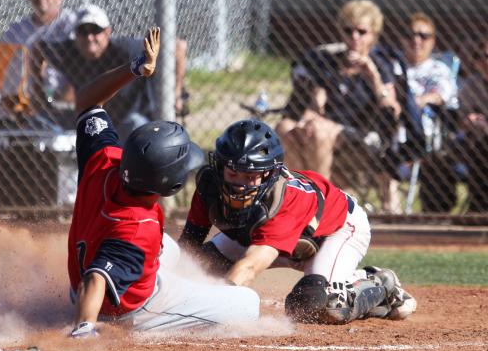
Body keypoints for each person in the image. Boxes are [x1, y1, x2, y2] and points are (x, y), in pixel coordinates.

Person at [67, 27, 259, 337]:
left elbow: (86, 102)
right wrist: (84, 328)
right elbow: (96, 277)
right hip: (122, 309)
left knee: (168, 250)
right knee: (248, 305)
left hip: (87, 283)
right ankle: (145, 318)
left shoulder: (104, 161)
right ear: (169, 185)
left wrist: (134, 69)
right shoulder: (136, 225)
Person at [178, 119, 417, 324]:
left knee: (316, 306)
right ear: (219, 167)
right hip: (276, 238)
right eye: (233, 173)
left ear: (269, 174)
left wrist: (218, 305)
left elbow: (251, 265)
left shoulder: (283, 200)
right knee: (203, 266)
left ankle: (380, 283)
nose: (240, 183)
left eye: (251, 176)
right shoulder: (210, 188)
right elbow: (189, 247)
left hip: (336, 230)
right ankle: (344, 282)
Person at [275, 0, 402, 212]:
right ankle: (299, 200)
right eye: (348, 30)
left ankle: (323, 205)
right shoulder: (328, 63)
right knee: (285, 128)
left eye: (362, 32)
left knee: (319, 131)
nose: (354, 37)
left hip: (363, 134)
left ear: (374, 35)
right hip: (324, 128)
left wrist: (372, 77)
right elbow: (317, 102)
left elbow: (392, 109)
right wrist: (309, 116)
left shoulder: (381, 65)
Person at [33, 4, 187, 142]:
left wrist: (177, 94)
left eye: (95, 30)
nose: (89, 37)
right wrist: (38, 93)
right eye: (83, 31)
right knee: (45, 122)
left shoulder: (124, 49)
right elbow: (37, 49)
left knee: (135, 127)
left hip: (129, 118)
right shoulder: (69, 52)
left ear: (107, 32)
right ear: (75, 34)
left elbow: (179, 47)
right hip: (91, 119)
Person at [402, 12, 460, 212]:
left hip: (422, 134)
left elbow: (441, 95)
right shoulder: (394, 66)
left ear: (433, 40)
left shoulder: (439, 69)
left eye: (423, 36)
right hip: (389, 127)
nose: (416, 41)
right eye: (410, 35)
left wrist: (416, 101)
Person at [1, 0, 78, 109]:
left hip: (61, 103)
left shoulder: (71, 24)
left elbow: (84, 68)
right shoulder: (16, 30)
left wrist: (62, 106)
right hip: (21, 104)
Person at [455, 38, 488, 212]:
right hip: (476, 143)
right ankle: (479, 210)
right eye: (481, 57)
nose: (485, 61)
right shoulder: (470, 86)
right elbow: (460, 122)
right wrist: (469, 121)